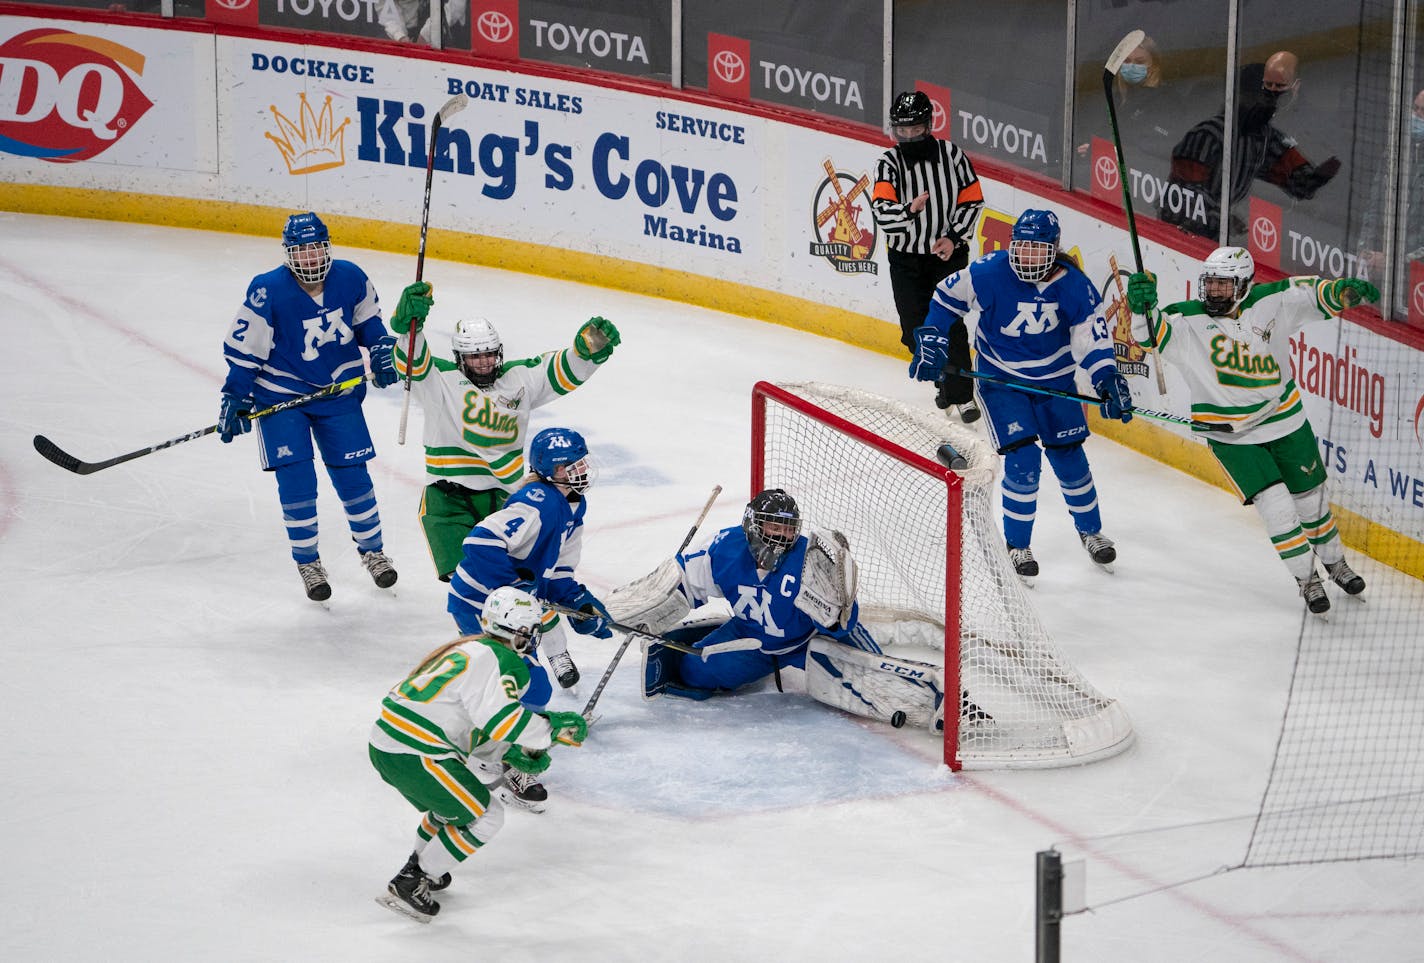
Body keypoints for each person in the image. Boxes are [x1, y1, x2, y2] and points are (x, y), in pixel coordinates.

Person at [1126, 249, 1376, 614]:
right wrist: (1139, 308)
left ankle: (1336, 564)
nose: (1213, 292)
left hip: (1285, 421)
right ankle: (1308, 581)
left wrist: (1343, 292)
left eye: (1222, 285)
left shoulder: (1271, 301)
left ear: (1243, 285)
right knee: (1277, 509)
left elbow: (1313, 294)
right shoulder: (1187, 319)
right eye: (1209, 283)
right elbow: (1149, 336)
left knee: (1311, 503)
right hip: (1232, 436)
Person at [909, 209, 1133, 579]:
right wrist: (932, 341)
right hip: (1002, 382)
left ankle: (1091, 531)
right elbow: (945, 300)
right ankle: (1018, 545)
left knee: (1070, 457)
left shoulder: (1074, 283)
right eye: (1022, 247)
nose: (1027, 257)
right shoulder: (988, 272)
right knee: (1024, 460)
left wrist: (1106, 378)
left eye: (1037, 249)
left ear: (1053, 249)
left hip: (1056, 383)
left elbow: (1090, 339)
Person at [219, 212, 428, 601]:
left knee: (354, 478)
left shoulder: (350, 277)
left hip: (338, 393)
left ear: (326, 248)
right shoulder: (267, 289)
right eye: (302, 250)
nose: (310, 258)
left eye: (316, 248)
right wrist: (235, 395)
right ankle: (308, 562)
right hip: (281, 398)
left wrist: (383, 352)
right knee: (297, 481)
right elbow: (246, 352)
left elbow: (371, 326)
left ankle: (374, 553)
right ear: (289, 254)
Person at [369, 585, 588, 922]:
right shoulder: (503, 661)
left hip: (390, 743)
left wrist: (508, 752)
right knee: (486, 815)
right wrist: (548, 730)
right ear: (521, 633)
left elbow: (469, 724)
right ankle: (414, 879)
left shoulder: (471, 648)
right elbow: (500, 719)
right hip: (417, 751)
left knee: (450, 810)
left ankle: (423, 866)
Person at [389, 297, 620, 582]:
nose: (484, 363)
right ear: (459, 357)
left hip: (505, 499)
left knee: (512, 578)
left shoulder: (517, 378)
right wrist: (409, 330)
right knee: (469, 580)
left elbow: (556, 372)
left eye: (489, 354)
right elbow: (410, 363)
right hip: (449, 500)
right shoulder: (439, 380)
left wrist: (583, 353)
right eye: (475, 356)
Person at [445, 426, 611, 804]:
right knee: (517, 684)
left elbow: (558, 574)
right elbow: (480, 541)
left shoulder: (572, 505)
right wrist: (512, 588)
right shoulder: (537, 502)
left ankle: (490, 748)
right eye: (569, 466)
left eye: (581, 461)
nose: (580, 470)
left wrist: (580, 605)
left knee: (523, 685)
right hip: (480, 605)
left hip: (512, 613)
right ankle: (490, 763)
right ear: (549, 471)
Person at [871, 90, 986, 423]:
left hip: (947, 257)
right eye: (901, 131)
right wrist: (910, 210)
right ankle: (942, 377)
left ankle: (962, 396)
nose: (908, 137)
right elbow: (882, 212)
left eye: (915, 129)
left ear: (929, 126)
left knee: (951, 327)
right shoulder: (888, 163)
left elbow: (972, 200)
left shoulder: (953, 155)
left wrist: (953, 237)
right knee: (913, 331)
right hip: (905, 260)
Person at [1161, 61, 1340, 239]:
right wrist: (1222, 218)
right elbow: (1182, 198)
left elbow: (1297, 181)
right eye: (1263, 98)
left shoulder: (1265, 139)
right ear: (1242, 96)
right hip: (1177, 235)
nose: (1270, 106)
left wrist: (1315, 178)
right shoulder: (1207, 136)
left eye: (1272, 99)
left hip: (1213, 238)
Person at [1357, 88, 1424, 319]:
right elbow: (1374, 204)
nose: (1416, 116)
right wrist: (1365, 246)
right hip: (1382, 262)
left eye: (1423, 112)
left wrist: (1393, 259)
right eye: (1415, 108)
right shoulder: (1396, 151)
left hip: (1415, 277)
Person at [378, 0, 466, 45]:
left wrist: (426, 34)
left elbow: (456, 6)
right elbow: (385, 5)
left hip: (448, 35)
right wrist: (400, 36)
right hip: (405, 35)